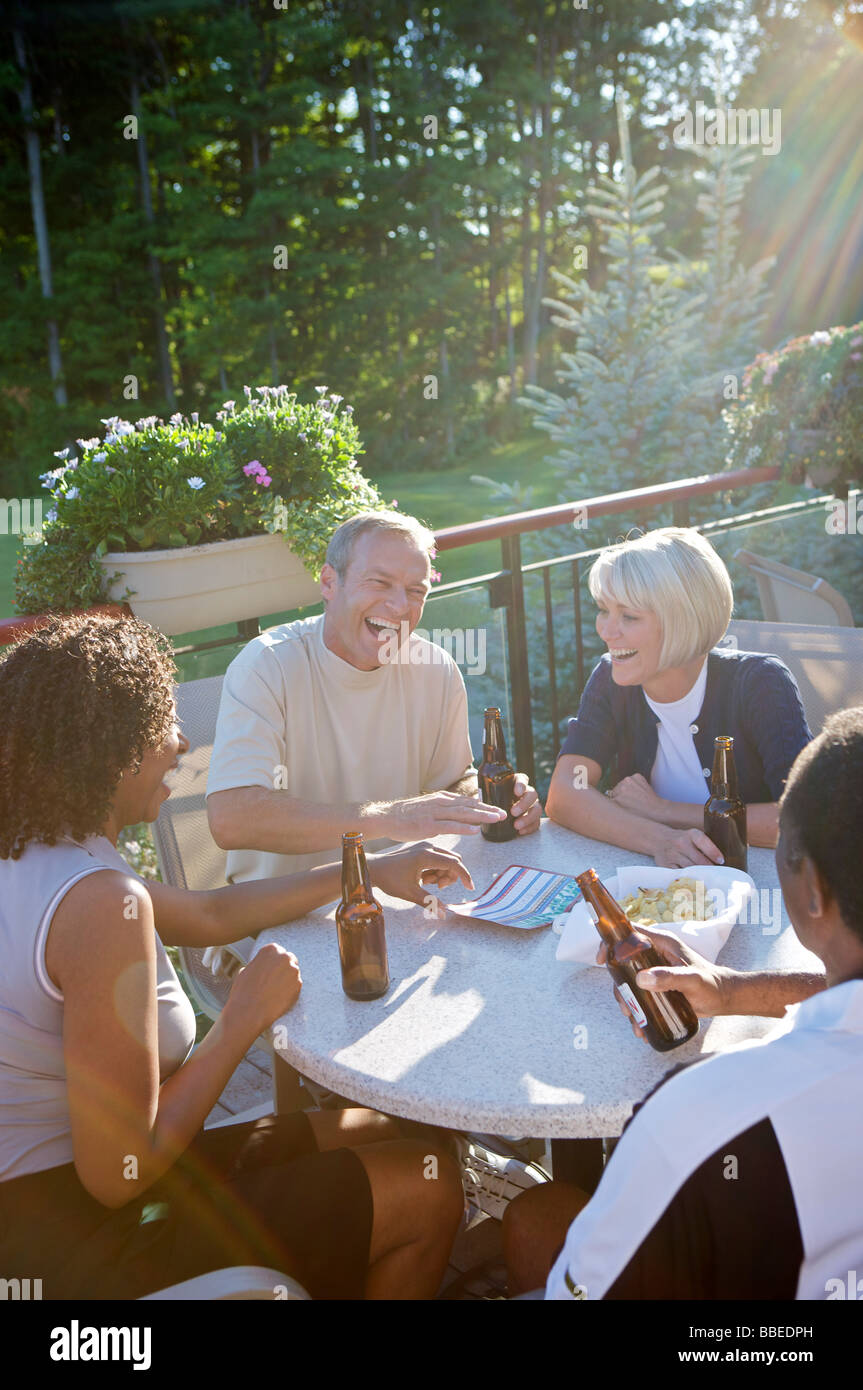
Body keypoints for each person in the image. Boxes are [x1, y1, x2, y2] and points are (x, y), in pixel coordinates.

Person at [0, 613, 472, 1300]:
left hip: (60, 1192)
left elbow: (211, 915)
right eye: (161, 723)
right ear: (108, 750)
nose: (181, 742)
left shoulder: (43, 848)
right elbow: (120, 1174)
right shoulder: (95, 903)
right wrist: (241, 1018)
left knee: (377, 1129)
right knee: (425, 1190)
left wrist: (367, 869)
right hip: (69, 1239)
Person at [504, 707, 863, 1300]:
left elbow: (583, 1291)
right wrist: (737, 991)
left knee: (536, 1222)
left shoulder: (704, 1119)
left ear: (812, 892)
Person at [206, 509, 542, 886]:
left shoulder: (435, 668)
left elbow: (450, 784)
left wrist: (497, 801)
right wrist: (390, 818)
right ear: (330, 583)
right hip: (285, 921)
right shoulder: (267, 666)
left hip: (404, 901)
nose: (400, 607)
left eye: (416, 591)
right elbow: (231, 818)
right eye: (379, 583)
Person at [546, 527, 811, 868]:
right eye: (604, 610)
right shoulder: (611, 679)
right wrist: (660, 840)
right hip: (654, 891)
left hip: (755, 884)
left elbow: (802, 817)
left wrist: (666, 812)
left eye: (629, 616)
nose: (607, 631)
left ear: (680, 621)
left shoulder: (760, 683)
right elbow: (565, 792)